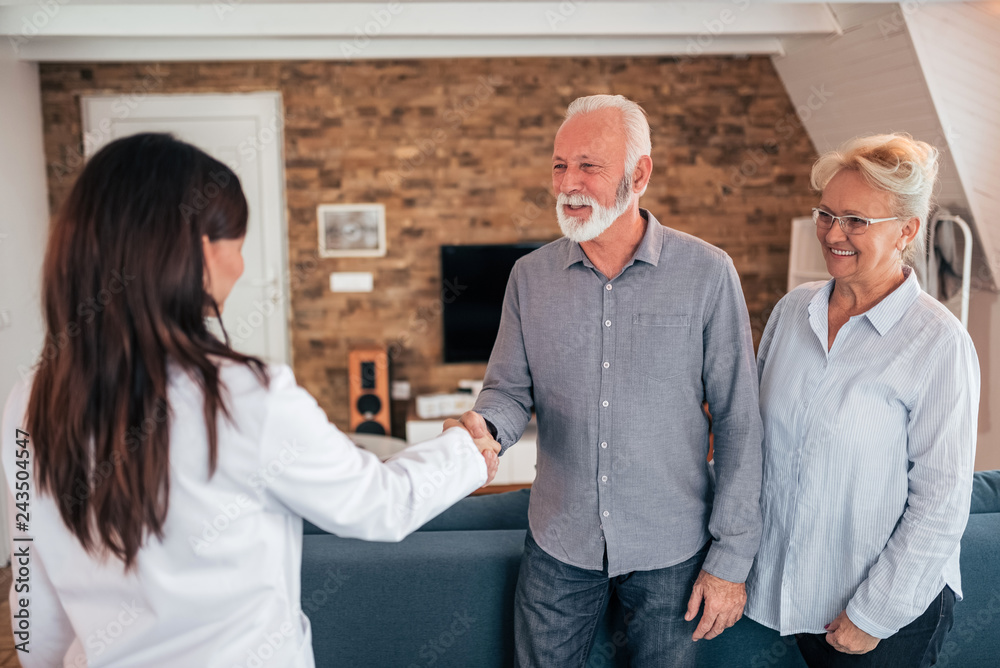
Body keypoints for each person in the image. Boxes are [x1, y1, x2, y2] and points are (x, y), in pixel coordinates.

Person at [1, 133, 499, 667]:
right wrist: (465, 451)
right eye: (237, 242)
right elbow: (379, 503)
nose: (239, 266)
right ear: (198, 251)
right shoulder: (243, 394)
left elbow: (33, 588)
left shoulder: (29, 398)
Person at [450, 94, 763, 666]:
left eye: (589, 166)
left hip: (673, 548)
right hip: (558, 543)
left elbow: (741, 419)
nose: (569, 183)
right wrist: (486, 428)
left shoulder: (708, 273)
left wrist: (732, 559)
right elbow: (509, 392)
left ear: (639, 173)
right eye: (560, 165)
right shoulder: (529, 277)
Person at [744, 133, 980, 667]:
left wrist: (874, 615)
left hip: (885, 617)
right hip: (806, 601)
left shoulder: (938, 343)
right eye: (826, 215)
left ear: (907, 230)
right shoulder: (792, 311)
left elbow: (941, 503)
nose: (833, 233)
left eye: (856, 221)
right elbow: (761, 445)